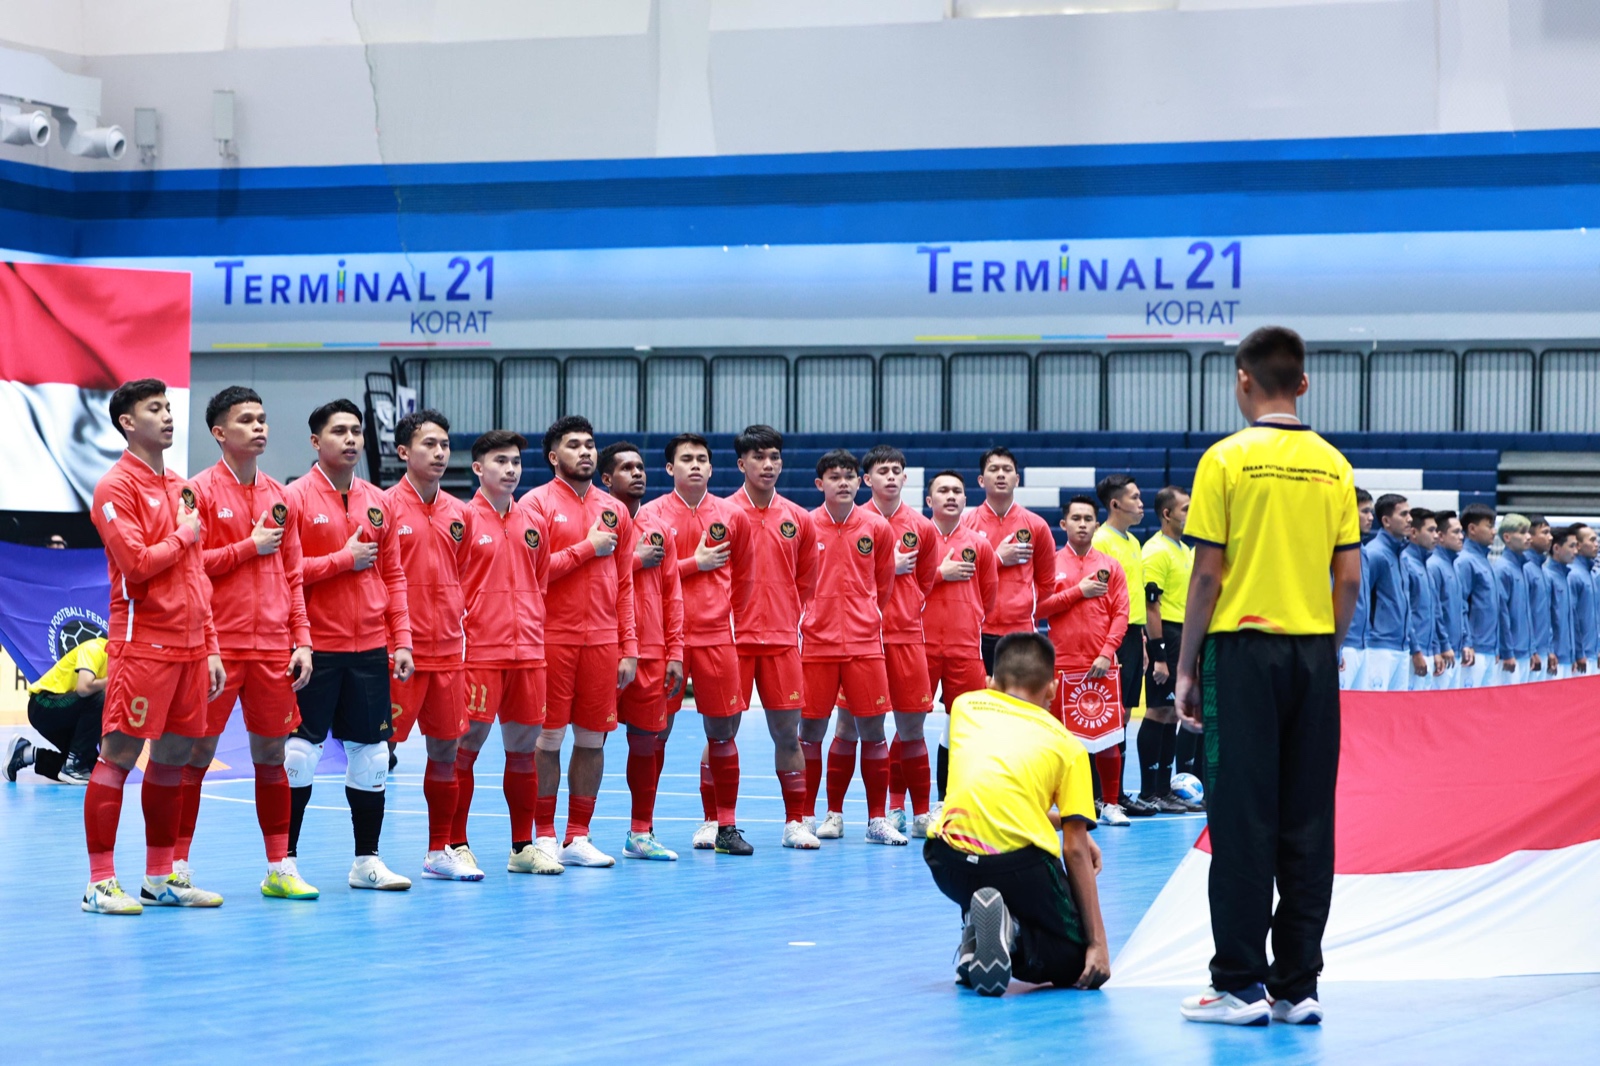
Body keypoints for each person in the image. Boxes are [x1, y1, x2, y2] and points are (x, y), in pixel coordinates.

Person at [1174, 325, 1361, 1026]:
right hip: (1313, 653)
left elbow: (1206, 576)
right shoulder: (1334, 466)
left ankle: (1239, 985)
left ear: (1243, 381)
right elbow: (1348, 577)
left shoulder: (1225, 460)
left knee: (1243, 819)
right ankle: (1298, 986)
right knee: (1309, 820)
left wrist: (1187, 667)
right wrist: (1325, 646)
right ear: (1304, 383)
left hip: (1244, 653)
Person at [83, 378, 227, 914]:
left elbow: (197, 578)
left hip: (192, 649)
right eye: (154, 408)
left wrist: (211, 645)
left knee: (172, 760)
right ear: (127, 422)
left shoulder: (184, 488)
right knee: (118, 757)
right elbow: (137, 566)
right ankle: (99, 883)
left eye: (169, 407)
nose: (167, 416)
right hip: (141, 645)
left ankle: (160, 877)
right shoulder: (113, 487)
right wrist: (184, 535)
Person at [186, 386, 319, 900]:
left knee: (272, 756)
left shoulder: (280, 498)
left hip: (272, 651)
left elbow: (293, 576)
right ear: (220, 433)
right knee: (195, 755)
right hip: (216, 648)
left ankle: (278, 866)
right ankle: (175, 864)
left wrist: (301, 641)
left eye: (262, 418)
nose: (260, 427)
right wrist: (248, 547)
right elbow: (189, 567)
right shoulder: (196, 493)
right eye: (246, 420)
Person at [925, 632, 1110, 997]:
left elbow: (982, 793)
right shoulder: (1068, 746)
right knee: (1075, 962)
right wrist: (1098, 945)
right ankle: (1012, 935)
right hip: (1019, 870)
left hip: (946, 863)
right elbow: (1075, 851)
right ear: (1053, 690)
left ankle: (974, 942)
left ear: (990, 682)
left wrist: (1055, 823)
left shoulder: (964, 707)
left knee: (978, 851)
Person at [284, 398, 414, 891]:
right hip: (316, 648)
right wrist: (341, 560)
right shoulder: (294, 498)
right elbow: (285, 575)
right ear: (317, 442)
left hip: (369, 649)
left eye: (356, 430)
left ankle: (366, 861)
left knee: (373, 755)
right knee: (298, 755)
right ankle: (286, 862)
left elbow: (394, 575)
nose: (352, 439)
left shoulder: (379, 502)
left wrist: (400, 639)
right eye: (339, 431)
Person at [523, 415, 638, 868]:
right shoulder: (533, 505)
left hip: (603, 644)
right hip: (552, 640)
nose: (586, 452)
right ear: (554, 457)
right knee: (547, 741)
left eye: (590, 445)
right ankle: (545, 834)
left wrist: (629, 645)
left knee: (592, 741)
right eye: (574, 445)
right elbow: (533, 574)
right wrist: (587, 548)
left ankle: (578, 835)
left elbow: (626, 582)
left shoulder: (616, 509)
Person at [455, 431, 563, 876]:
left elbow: (540, 585)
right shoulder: (460, 519)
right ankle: (453, 843)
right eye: (501, 461)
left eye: (516, 461)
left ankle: (522, 846)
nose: (511, 469)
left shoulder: (533, 522)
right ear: (479, 468)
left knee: (522, 752)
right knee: (464, 749)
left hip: (529, 655)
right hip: (479, 653)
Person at [640, 432, 753, 856]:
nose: (695, 465)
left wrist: (730, 624)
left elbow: (742, 578)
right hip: (666, 639)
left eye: (702, 459)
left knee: (723, 734)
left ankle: (725, 826)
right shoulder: (650, 515)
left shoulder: (732, 515)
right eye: (685, 459)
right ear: (670, 469)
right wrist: (695, 563)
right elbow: (648, 574)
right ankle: (643, 827)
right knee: (655, 734)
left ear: (711, 467)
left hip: (716, 639)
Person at [383, 410, 482, 881]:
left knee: (447, 753)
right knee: (378, 755)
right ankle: (369, 855)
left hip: (448, 654)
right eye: (429, 444)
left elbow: (461, 578)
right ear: (404, 452)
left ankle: (439, 850)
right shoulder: (381, 507)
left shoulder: (461, 514)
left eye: (444, 444)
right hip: (395, 655)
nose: (440, 452)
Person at [798, 449, 901, 844]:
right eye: (835, 476)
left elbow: (885, 584)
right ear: (819, 483)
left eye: (850, 476)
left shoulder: (877, 528)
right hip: (817, 645)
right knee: (811, 732)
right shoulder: (804, 525)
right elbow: (796, 581)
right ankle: (808, 816)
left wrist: (865, 615)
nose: (844, 482)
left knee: (873, 732)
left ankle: (876, 820)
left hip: (863, 644)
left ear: (860, 483)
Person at [725, 424, 820, 849]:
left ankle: (795, 821)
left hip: (782, 640)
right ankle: (716, 821)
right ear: (742, 463)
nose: (768, 465)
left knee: (788, 733)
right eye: (759, 457)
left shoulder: (799, 519)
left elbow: (806, 581)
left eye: (775, 457)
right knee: (721, 733)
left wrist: (784, 615)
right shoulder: (722, 514)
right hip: (731, 641)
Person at [600, 440, 686, 861]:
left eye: (640, 467)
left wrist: (676, 652)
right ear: (605, 479)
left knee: (647, 743)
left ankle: (640, 831)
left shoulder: (660, 529)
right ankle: (572, 835)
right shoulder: (594, 524)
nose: (637, 473)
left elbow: (673, 595)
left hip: (652, 652)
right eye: (626, 468)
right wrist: (632, 559)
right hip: (601, 647)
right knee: (588, 741)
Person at [851, 444, 939, 838]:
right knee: (853, 728)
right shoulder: (853, 521)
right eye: (881, 470)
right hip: (860, 639)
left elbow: (928, 579)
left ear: (905, 478)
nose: (890, 476)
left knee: (912, 729)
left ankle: (919, 813)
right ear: (866, 479)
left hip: (906, 636)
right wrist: (883, 568)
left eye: (896, 470)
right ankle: (841, 813)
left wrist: (908, 602)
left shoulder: (921, 526)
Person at [1037, 496, 1129, 825]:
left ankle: (1112, 804)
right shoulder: (1050, 563)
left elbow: (1122, 614)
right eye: (1075, 518)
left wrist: (1106, 653)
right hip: (1061, 666)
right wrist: (1078, 591)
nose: (1082, 524)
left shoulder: (1111, 566)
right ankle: (1063, 804)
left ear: (1096, 524)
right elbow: (1038, 608)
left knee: (1107, 737)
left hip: (1101, 665)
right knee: (1061, 742)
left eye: (1088, 518)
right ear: (1063, 524)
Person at [921, 470, 997, 813]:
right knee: (908, 727)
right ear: (929, 501)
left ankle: (954, 801)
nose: (951, 496)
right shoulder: (916, 539)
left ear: (966, 500)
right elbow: (903, 592)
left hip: (965, 648)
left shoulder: (980, 545)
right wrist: (940, 574)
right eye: (943, 491)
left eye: (957, 491)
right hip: (918, 647)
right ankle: (901, 807)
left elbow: (988, 597)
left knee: (966, 729)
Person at [1090, 474, 1155, 816]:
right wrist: (1107, 644)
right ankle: (1097, 794)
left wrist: (1141, 639)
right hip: (1109, 635)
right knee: (1105, 715)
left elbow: (1133, 596)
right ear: (1115, 504)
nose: (1141, 503)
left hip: (1132, 634)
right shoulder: (1102, 541)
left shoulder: (1131, 541)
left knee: (1124, 714)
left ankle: (1114, 793)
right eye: (1134, 497)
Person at [960, 446, 1056, 673]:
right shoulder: (965, 524)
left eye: (1007, 469)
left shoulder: (1037, 525)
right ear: (982, 480)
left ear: (1017, 479)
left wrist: (1022, 607)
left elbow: (1047, 583)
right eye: (994, 469)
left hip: (1021, 630)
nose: (1001, 474)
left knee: (1019, 702)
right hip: (976, 630)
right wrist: (998, 559)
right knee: (980, 703)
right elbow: (959, 576)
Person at [1139, 485, 1199, 811]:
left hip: (1181, 633)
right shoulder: (1156, 551)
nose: (1191, 514)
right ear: (1167, 514)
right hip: (1167, 635)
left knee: (1171, 715)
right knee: (1158, 711)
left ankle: (1164, 789)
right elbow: (1152, 608)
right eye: (1186, 509)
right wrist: (1159, 655)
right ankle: (1151, 791)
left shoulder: (1183, 550)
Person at [8, 635, 106, 785]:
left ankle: (26, 753)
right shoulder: (94, 649)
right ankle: (74, 765)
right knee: (99, 697)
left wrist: (105, 762)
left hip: (66, 715)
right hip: (42, 703)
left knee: (92, 768)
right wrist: (111, 681)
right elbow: (83, 688)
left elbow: (103, 721)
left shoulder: (120, 669)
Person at [1359, 494, 1413, 692]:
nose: (1410, 519)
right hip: (1379, 648)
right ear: (1386, 521)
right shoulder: (1375, 554)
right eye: (1404, 514)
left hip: (1400, 647)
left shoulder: (1401, 556)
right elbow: (1361, 599)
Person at [1455, 503, 1502, 689]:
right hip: (1474, 649)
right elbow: (1461, 605)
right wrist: (1467, 642)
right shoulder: (1465, 561)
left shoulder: (1484, 561)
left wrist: (1496, 646)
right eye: (1489, 526)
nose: (1494, 531)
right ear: (1472, 529)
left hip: (1489, 648)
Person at [1337, 489, 1374, 691]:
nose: (1371, 518)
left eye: (1372, 512)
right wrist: (1337, 646)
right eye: (1365, 511)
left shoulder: (1364, 552)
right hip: (1345, 644)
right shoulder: (1335, 550)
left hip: (1363, 644)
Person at [1427, 510, 1469, 691]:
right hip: (1444, 652)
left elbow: (1461, 609)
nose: (1461, 537)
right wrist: (1440, 647)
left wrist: (1466, 642)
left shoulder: (1454, 567)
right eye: (1456, 532)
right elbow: (1434, 612)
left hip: (1455, 650)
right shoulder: (1434, 566)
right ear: (1441, 536)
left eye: (1462, 532)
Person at [1402, 508, 1443, 689]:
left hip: (1425, 650)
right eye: (1431, 530)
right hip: (1413, 652)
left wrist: (1435, 648)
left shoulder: (1426, 566)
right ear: (1413, 533)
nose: (1436, 536)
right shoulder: (1407, 563)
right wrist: (1416, 650)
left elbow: (1433, 614)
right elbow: (1406, 611)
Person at [1493, 514, 1535, 685]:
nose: (1528, 537)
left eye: (1529, 532)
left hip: (1524, 650)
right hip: (1512, 652)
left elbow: (1528, 613)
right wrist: (1507, 651)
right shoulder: (1502, 569)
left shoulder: (1523, 569)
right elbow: (1502, 613)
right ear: (1507, 537)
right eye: (1523, 532)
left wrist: (1531, 649)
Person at [1525, 515, 1555, 681]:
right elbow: (1524, 613)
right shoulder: (1526, 569)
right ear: (1530, 536)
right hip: (1528, 653)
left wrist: (1549, 649)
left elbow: (1547, 616)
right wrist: (1532, 649)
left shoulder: (1543, 572)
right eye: (1544, 532)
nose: (1550, 537)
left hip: (1542, 650)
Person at [1545, 527, 1578, 679]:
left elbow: (1572, 620)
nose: (1576, 551)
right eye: (1571, 546)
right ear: (1556, 548)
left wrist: (1574, 653)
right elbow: (1547, 619)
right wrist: (1550, 650)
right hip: (1554, 657)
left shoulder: (1567, 578)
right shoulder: (1548, 577)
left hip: (1567, 656)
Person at [1569, 523, 1598, 676]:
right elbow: (1571, 616)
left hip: (1592, 654)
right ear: (1578, 546)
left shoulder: (1592, 575)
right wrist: (1579, 652)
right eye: (1592, 540)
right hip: (1580, 657)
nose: (1596, 543)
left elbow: (1595, 616)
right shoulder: (1573, 575)